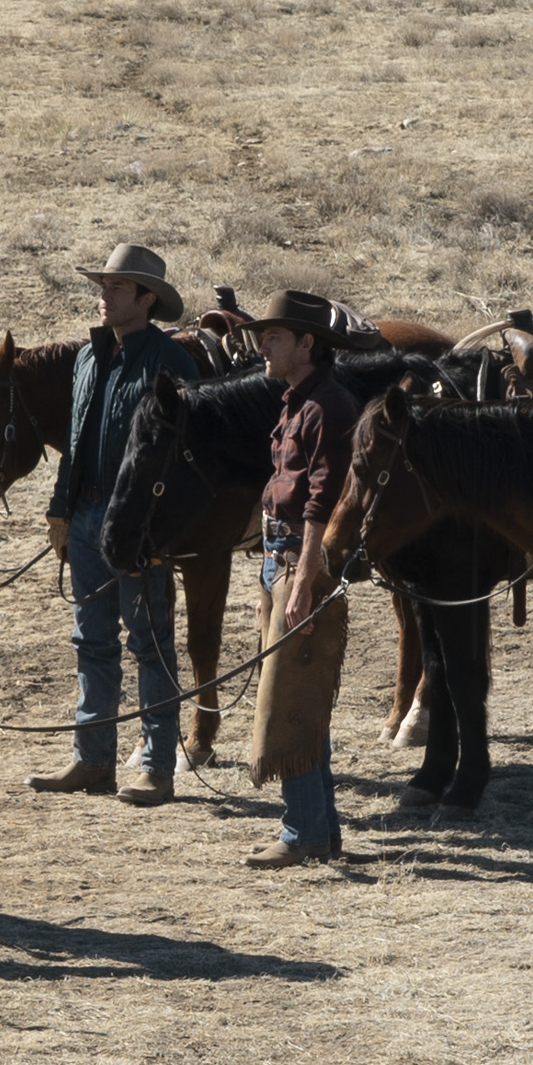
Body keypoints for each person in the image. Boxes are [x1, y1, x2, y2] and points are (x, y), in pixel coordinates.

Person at [25, 243, 201, 806]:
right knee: (91, 640)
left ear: (147, 300)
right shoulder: (87, 357)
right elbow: (74, 442)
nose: (105, 295)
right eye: (103, 286)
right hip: (86, 517)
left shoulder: (171, 364)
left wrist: (156, 529)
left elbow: (181, 459)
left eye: (118, 287)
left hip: (136, 525)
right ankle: (93, 760)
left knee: (149, 643)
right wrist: (61, 509)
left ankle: (157, 766)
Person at [244, 289, 362, 868]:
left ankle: (303, 832)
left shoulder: (327, 406)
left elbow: (323, 503)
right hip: (282, 559)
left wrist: (304, 580)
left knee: (291, 700)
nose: (262, 345)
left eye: (274, 336)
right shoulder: (300, 402)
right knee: (302, 699)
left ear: (307, 342)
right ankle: (320, 829)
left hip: (299, 561)